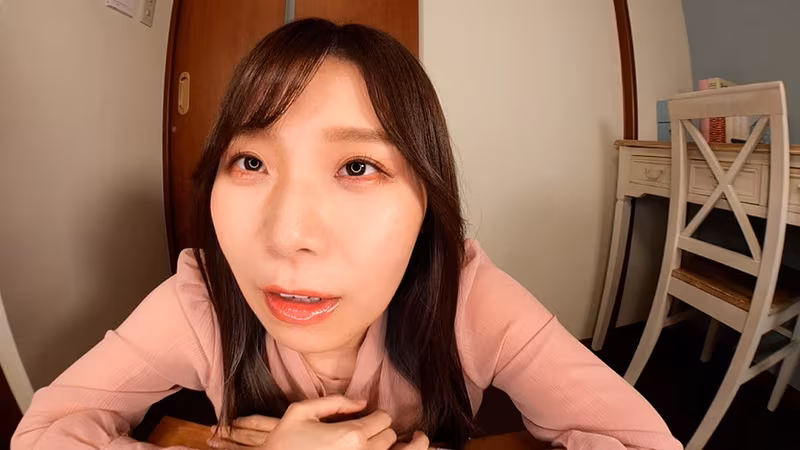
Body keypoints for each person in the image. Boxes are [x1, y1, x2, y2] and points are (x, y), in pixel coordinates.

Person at [12, 19, 681, 450]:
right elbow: (43, 432)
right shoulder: (202, 299)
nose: (287, 234)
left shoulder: (471, 299)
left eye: (358, 166)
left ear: (427, 200)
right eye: (251, 163)